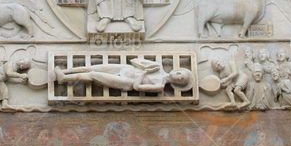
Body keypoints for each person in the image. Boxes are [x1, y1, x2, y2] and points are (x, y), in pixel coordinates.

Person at [54, 57, 191, 93]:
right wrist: (146, 66)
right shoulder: (158, 67)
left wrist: (143, 73)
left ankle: (64, 78)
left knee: (93, 74)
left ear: (177, 83)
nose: (178, 76)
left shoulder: (159, 86)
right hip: (126, 68)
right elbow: (134, 61)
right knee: (93, 67)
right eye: (180, 73)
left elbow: (137, 87)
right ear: (176, 69)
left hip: (126, 81)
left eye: (181, 79)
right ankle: (66, 71)